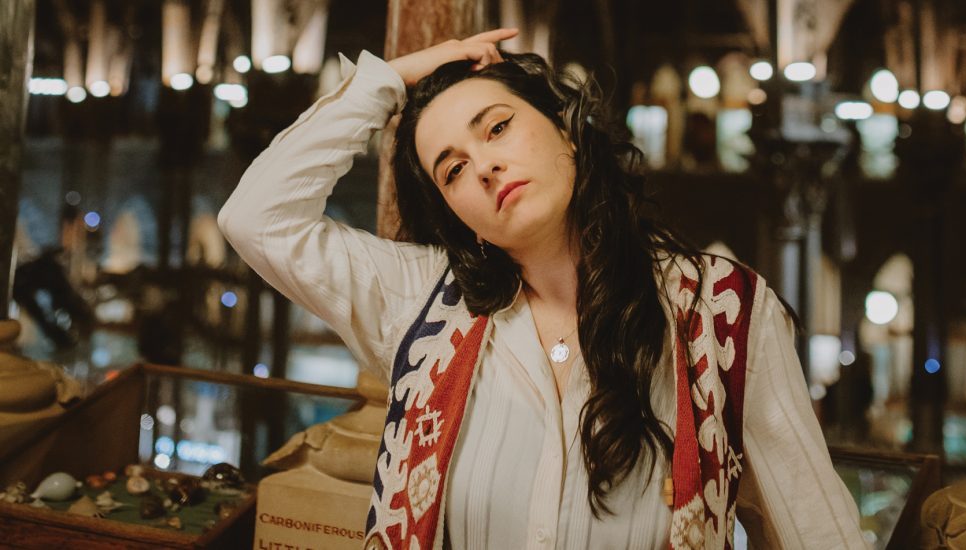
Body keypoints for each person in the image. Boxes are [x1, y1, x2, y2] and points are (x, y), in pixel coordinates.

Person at [219, 28, 866, 550]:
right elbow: (256, 219)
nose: (485, 166)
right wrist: (385, 82)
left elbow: (820, 530)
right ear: (458, 217)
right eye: (452, 170)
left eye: (496, 127)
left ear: (566, 128)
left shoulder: (721, 314)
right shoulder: (424, 304)